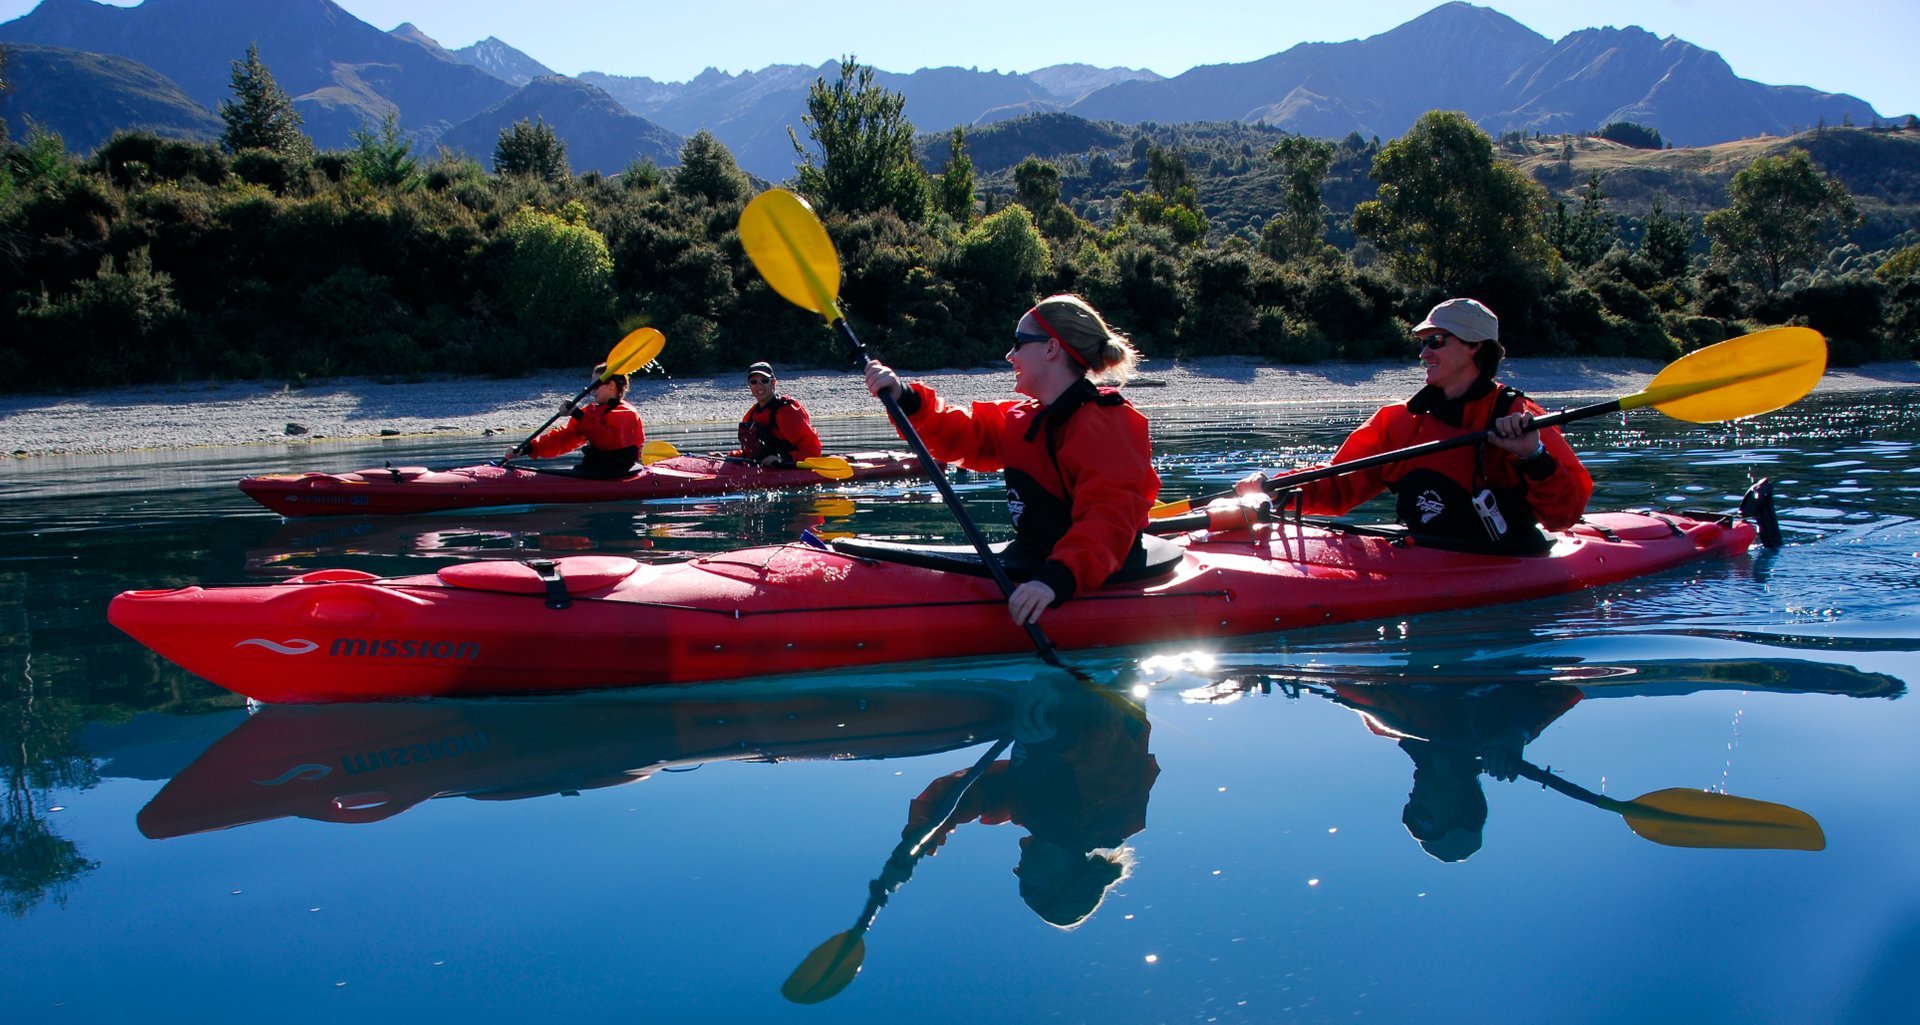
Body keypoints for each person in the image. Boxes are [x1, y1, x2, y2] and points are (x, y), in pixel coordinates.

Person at [864, 294, 1160, 625]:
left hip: (1081, 571)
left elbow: (1110, 517)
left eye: (1018, 343)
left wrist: (1055, 580)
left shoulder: (1106, 423)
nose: (1009, 355)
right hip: (1036, 557)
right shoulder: (1025, 417)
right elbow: (967, 435)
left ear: (1051, 348)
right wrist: (906, 397)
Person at [1241, 298, 1592, 552]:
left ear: (1474, 347)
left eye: (1435, 341)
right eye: (1423, 344)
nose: (1424, 353)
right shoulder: (1400, 420)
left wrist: (1535, 456)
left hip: (1506, 557)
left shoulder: (1518, 416)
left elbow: (1564, 516)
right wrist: (1274, 488)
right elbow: (1340, 483)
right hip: (1427, 553)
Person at [900, 678, 1159, 929]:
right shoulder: (1105, 823)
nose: (1018, 871)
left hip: (1048, 679)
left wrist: (924, 829)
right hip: (1091, 676)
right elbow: (1110, 757)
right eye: (1027, 883)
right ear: (1057, 882)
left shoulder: (1031, 813)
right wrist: (1059, 730)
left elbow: (969, 793)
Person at [1321, 681, 1584, 862]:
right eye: (1423, 820)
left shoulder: (1389, 724)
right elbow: (1572, 687)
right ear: (1461, 810)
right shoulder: (1507, 735)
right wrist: (1518, 730)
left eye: (1411, 816)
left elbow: (1336, 678)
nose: (1414, 805)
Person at [501, 363, 644, 478]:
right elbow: (564, 438)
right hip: (593, 470)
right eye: (590, 387)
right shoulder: (590, 411)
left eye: (595, 386)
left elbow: (606, 441)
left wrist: (578, 414)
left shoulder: (626, 413)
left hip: (618, 472)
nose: (591, 391)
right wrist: (528, 448)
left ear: (612, 386)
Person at [731, 361, 823, 467]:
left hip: (790, 468)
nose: (759, 386)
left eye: (764, 381)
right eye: (754, 382)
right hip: (764, 470)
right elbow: (750, 454)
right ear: (749, 385)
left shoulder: (787, 411)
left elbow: (813, 451)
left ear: (773, 382)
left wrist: (782, 459)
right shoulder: (751, 415)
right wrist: (727, 456)